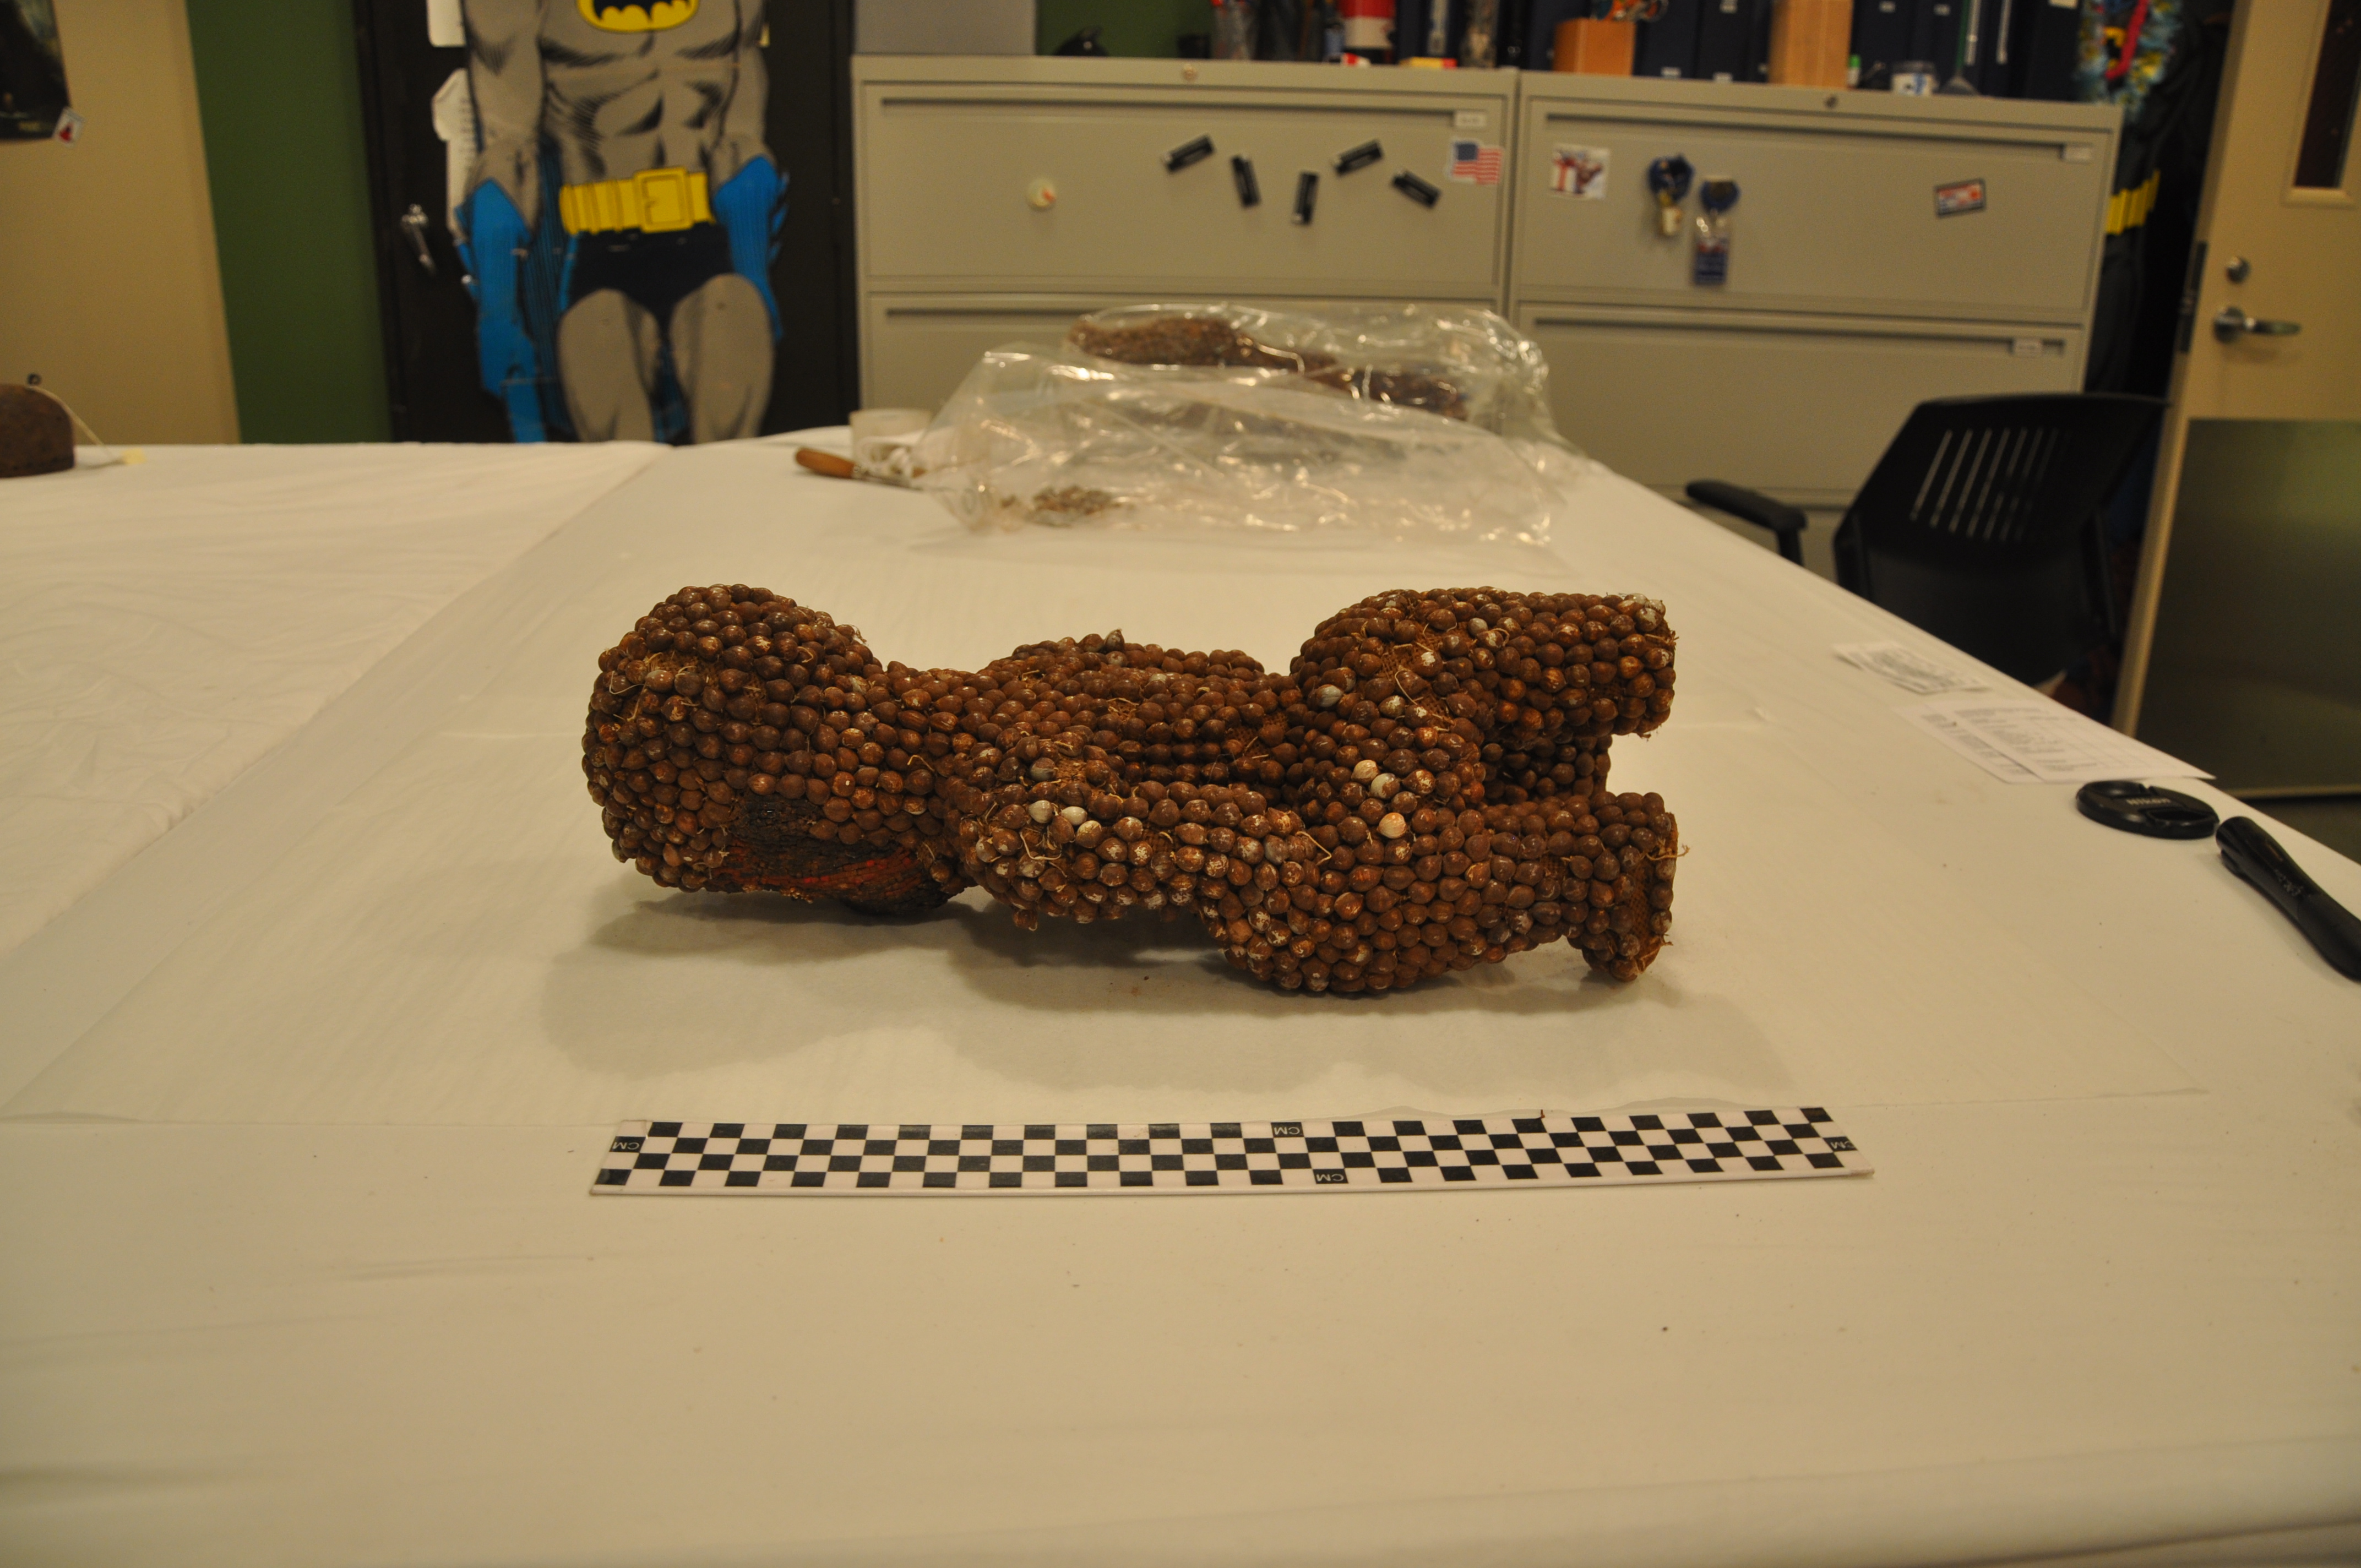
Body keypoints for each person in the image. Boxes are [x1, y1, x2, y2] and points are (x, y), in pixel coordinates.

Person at [455, 0, 782, 443]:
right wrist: (497, 313)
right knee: (618, 453)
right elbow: (508, 154)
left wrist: (753, 274)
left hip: (706, 248)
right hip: (602, 253)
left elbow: (741, 146)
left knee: (728, 444)